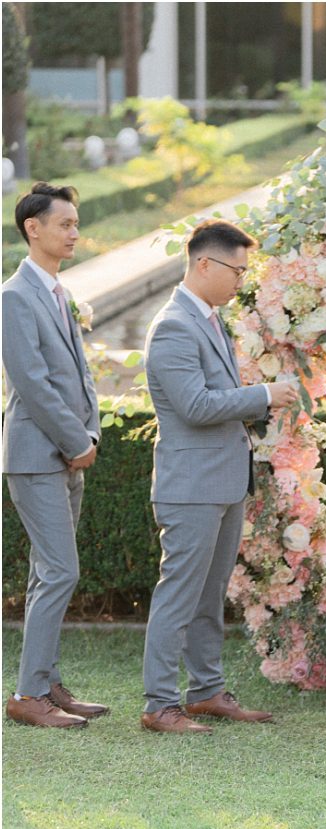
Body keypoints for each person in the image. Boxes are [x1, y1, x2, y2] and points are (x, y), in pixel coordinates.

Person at [140, 220, 300, 733]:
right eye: (236, 270)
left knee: (210, 595)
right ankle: (160, 704)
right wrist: (263, 395)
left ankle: (206, 690)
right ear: (204, 264)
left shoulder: (208, 318)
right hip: (191, 486)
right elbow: (194, 405)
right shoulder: (173, 325)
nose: (241, 281)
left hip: (223, 481)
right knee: (179, 594)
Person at [2, 182, 109, 729]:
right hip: (36, 455)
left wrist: (88, 434)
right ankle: (26, 696)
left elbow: (79, 377)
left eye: (75, 222)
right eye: (64, 223)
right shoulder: (14, 296)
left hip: (67, 453)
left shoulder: (58, 291)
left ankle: (45, 683)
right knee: (61, 570)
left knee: (51, 573)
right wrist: (76, 441)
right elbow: (33, 383)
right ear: (32, 228)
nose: (73, 232)